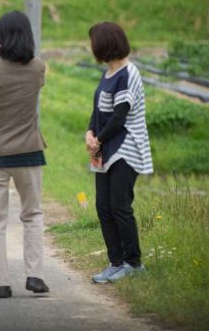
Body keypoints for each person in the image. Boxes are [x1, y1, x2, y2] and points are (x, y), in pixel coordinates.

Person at [0, 11, 49, 299]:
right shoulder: (38, 68)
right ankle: (35, 275)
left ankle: (0, 283)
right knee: (33, 214)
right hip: (29, 150)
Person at [86, 21, 152, 284]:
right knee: (103, 206)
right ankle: (116, 262)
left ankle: (133, 263)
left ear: (104, 43)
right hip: (105, 148)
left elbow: (119, 117)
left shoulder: (128, 73)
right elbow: (99, 111)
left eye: (93, 42)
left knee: (120, 206)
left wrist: (98, 139)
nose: (91, 47)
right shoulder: (109, 72)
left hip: (126, 148)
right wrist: (89, 134)